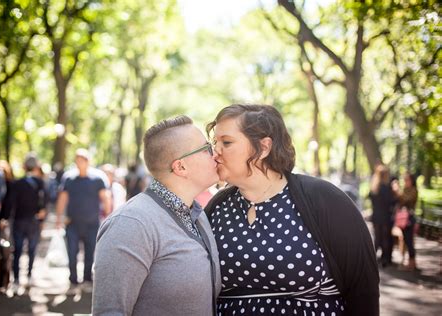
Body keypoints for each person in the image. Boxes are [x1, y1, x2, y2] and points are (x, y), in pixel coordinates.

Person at [205, 104, 379, 316]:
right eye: (215, 143)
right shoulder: (217, 208)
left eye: (227, 142)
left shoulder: (325, 200)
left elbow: (363, 288)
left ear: (263, 148)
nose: (215, 153)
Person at [92, 116, 221, 315]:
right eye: (207, 149)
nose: (216, 154)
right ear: (181, 167)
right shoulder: (131, 224)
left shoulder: (197, 214)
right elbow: (110, 311)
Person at [56, 149, 111, 290]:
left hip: (92, 223)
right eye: (77, 160)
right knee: (72, 252)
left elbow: (105, 198)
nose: (79, 162)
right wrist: (59, 218)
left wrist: (109, 217)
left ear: (87, 161)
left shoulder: (98, 179)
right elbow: (62, 198)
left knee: (90, 252)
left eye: (82, 160)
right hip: (72, 223)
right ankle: (73, 279)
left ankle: (87, 278)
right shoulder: (69, 179)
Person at [10, 154, 47, 293]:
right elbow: (44, 202)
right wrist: (42, 219)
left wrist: (5, 218)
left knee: (18, 250)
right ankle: (30, 275)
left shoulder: (17, 183)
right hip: (34, 221)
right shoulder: (40, 183)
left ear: (24, 167)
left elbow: (11, 202)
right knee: (31, 249)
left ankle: (16, 279)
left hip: (19, 220)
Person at [369, 164, 396, 267]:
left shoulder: (374, 188)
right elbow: (390, 202)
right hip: (385, 216)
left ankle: (373, 258)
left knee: (377, 238)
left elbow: (371, 199)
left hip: (376, 216)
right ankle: (385, 259)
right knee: (385, 238)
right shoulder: (385, 188)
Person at [393, 172, 418, 271]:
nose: (405, 181)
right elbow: (400, 201)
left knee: (409, 240)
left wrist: (398, 191)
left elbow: (406, 200)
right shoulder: (405, 190)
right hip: (403, 218)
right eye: (404, 180)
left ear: (411, 181)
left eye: (407, 180)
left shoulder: (413, 190)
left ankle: (412, 262)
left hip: (409, 218)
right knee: (404, 240)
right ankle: (409, 262)